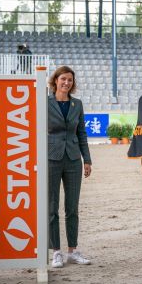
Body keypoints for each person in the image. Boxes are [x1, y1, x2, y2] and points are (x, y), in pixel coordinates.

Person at [48, 66, 92, 268]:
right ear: (55, 80)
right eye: (63, 79)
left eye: (70, 80)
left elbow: (81, 133)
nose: (67, 83)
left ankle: (72, 251)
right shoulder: (45, 103)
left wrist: (87, 160)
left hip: (74, 159)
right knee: (52, 208)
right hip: (51, 158)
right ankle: (56, 251)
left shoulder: (77, 104)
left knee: (72, 208)